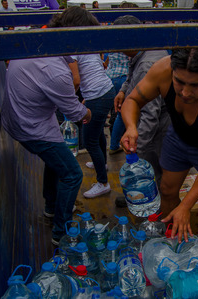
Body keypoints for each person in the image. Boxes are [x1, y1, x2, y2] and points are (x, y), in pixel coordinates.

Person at [119, 48, 198, 267]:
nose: (184, 92)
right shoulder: (163, 69)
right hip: (178, 136)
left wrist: (186, 207)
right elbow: (132, 100)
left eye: (195, 85)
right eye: (179, 82)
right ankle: (172, 245)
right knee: (167, 190)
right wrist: (131, 127)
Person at [1, 7, 94, 246]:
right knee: (72, 174)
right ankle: (60, 233)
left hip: (21, 118)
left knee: (57, 162)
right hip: (31, 128)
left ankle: (51, 207)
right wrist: (87, 112)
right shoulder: (55, 72)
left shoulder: (37, 42)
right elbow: (74, 112)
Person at [114, 15, 170, 197]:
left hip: (157, 130)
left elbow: (150, 116)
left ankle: (154, 210)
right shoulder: (143, 51)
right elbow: (132, 74)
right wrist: (123, 90)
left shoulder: (147, 64)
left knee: (153, 172)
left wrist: (137, 149)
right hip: (154, 124)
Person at [71, 26, 117, 199]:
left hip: (98, 95)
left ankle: (103, 183)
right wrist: (87, 99)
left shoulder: (72, 50)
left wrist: (68, 100)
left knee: (89, 139)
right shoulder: (86, 47)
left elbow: (76, 80)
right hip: (105, 90)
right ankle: (102, 164)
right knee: (96, 133)